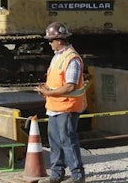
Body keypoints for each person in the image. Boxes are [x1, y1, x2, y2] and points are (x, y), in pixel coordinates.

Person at [35, 22, 86, 183]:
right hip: (54, 106)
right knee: (55, 141)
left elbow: (70, 86)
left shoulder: (72, 59)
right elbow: (58, 80)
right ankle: (57, 174)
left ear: (59, 40)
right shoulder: (58, 56)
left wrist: (48, 92)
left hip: (67, 107)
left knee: (68, 141)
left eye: (51, 40)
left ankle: (77, 175)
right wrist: (47, 89)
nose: (49, 43)